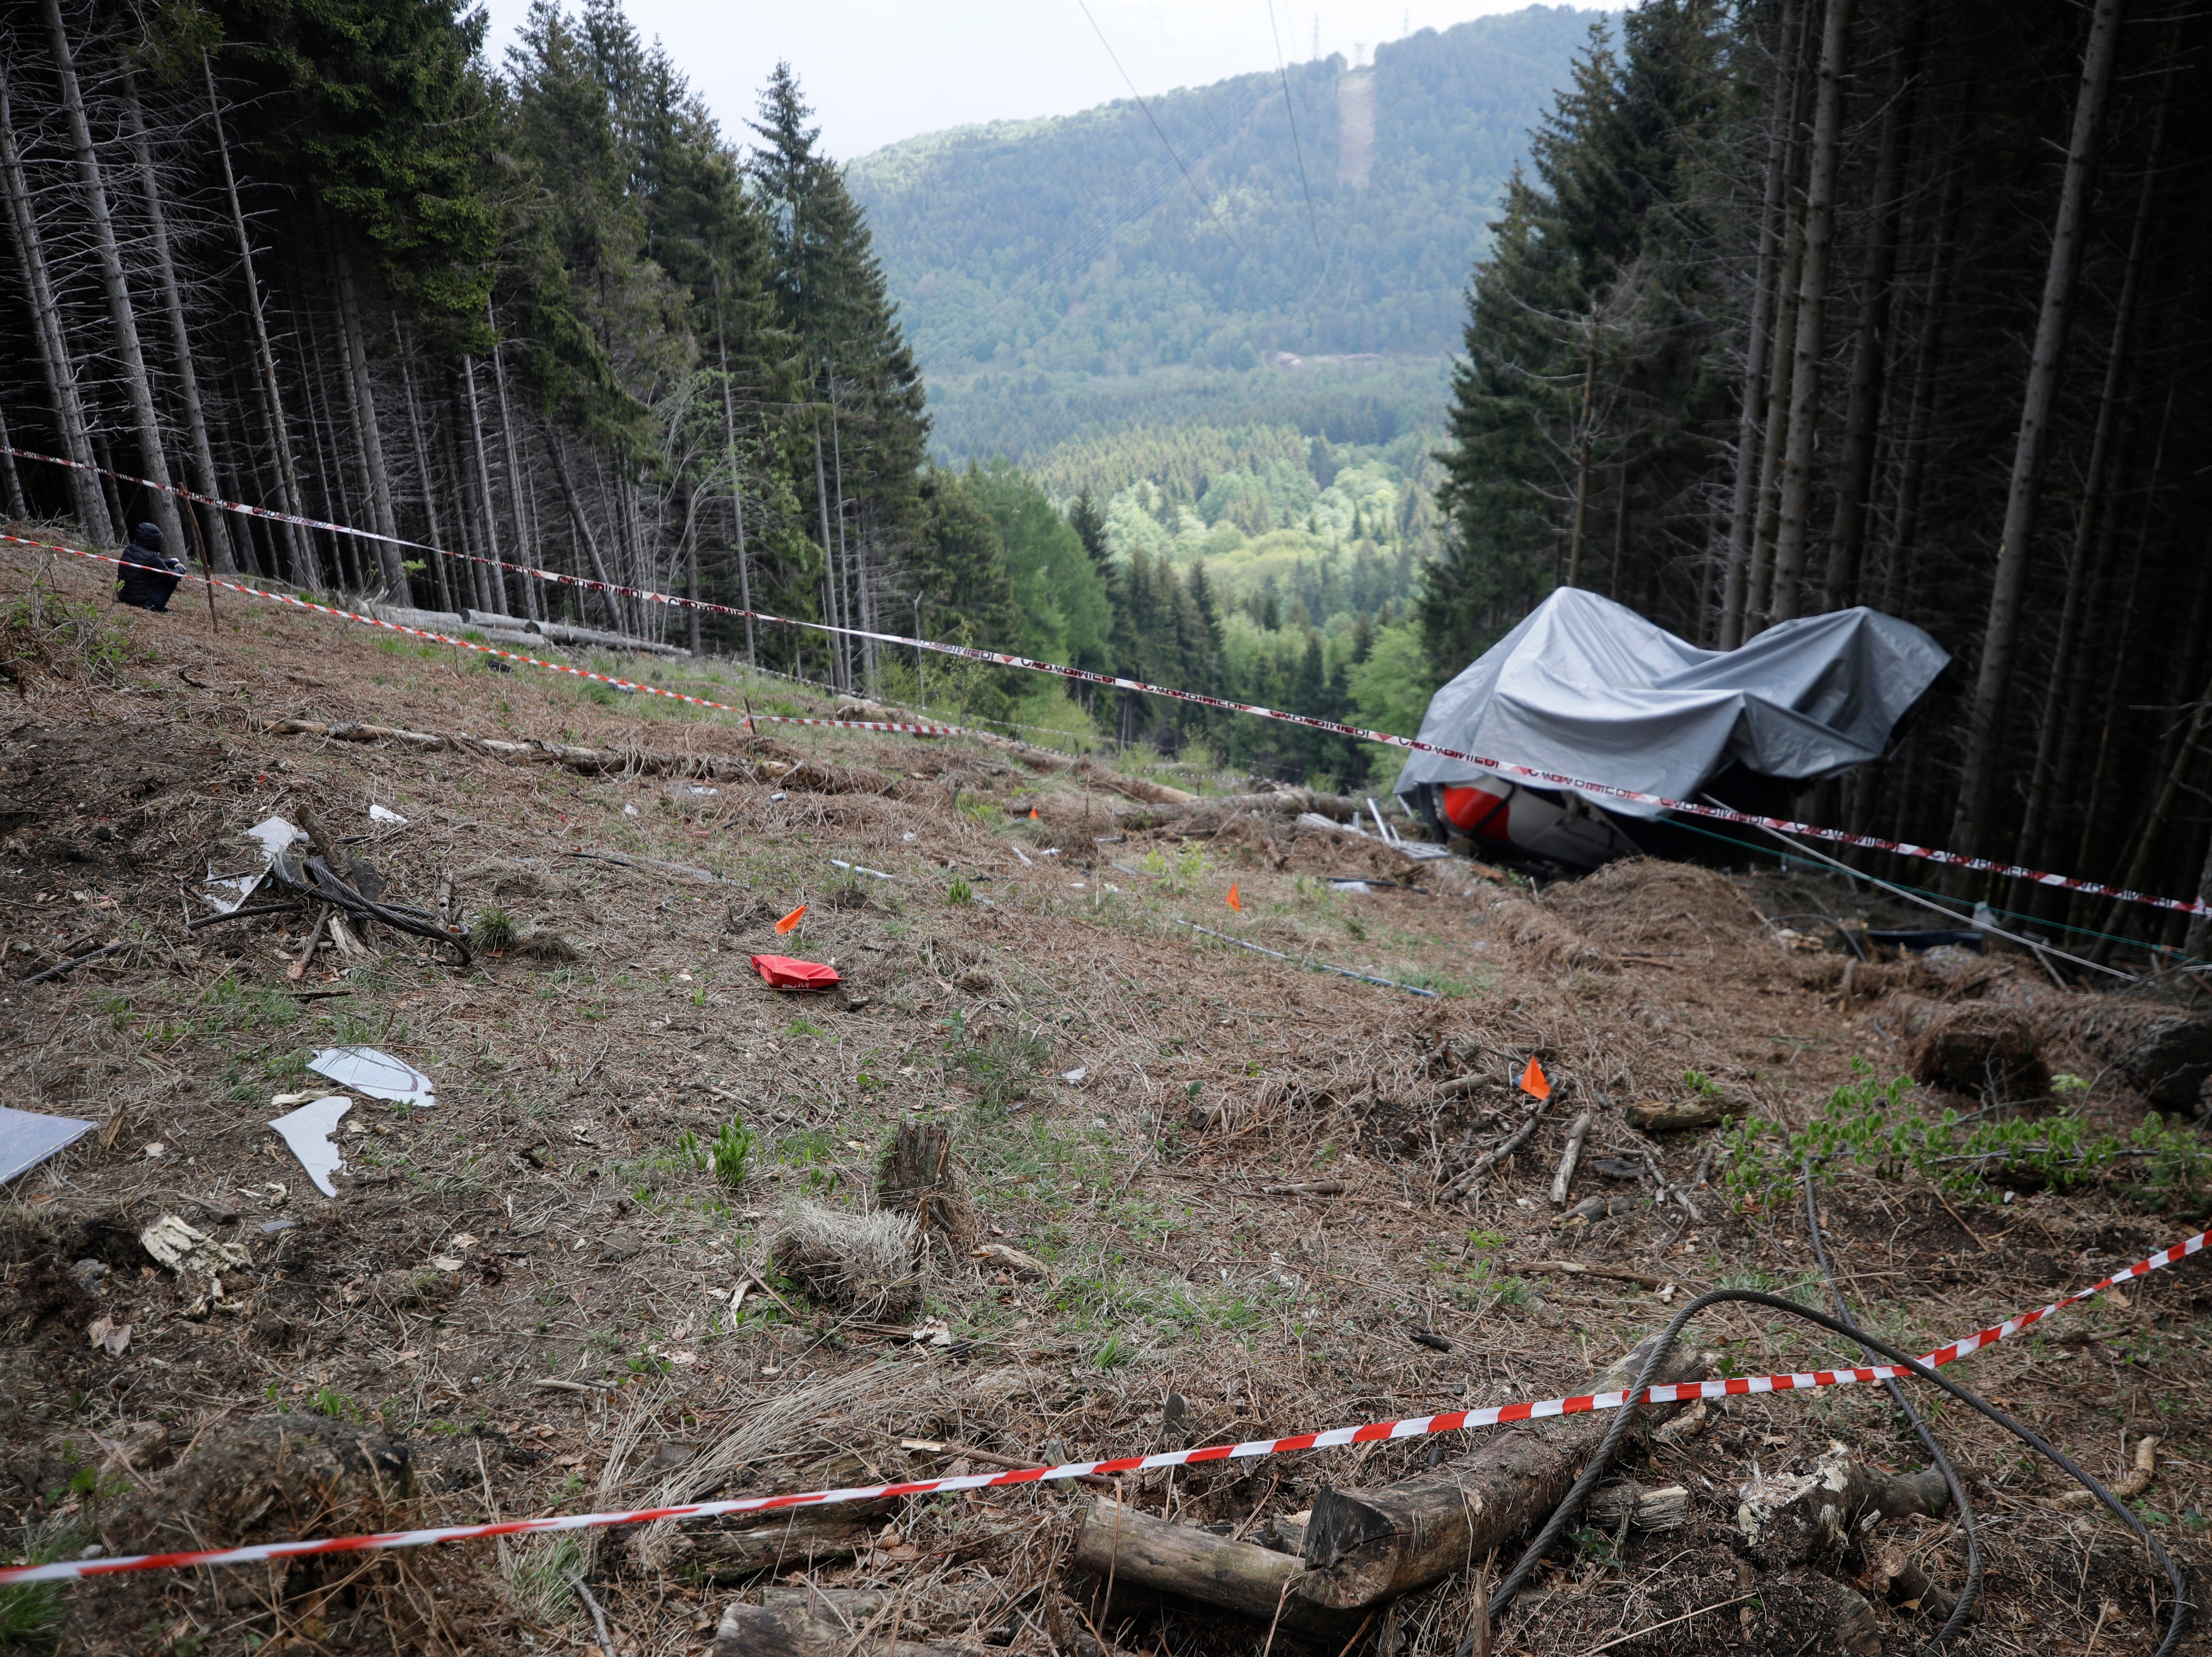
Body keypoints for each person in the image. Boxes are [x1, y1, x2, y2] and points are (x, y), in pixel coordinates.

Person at [115, 521, 186, 612]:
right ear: (154, 541)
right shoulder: (152, 557)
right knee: (171, 576)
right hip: (143, 603)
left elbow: (157, 564)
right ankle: (158, 608)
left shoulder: (129, 550)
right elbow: (170, 577)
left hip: (124, 598)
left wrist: (172, 562)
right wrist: (181, 569)